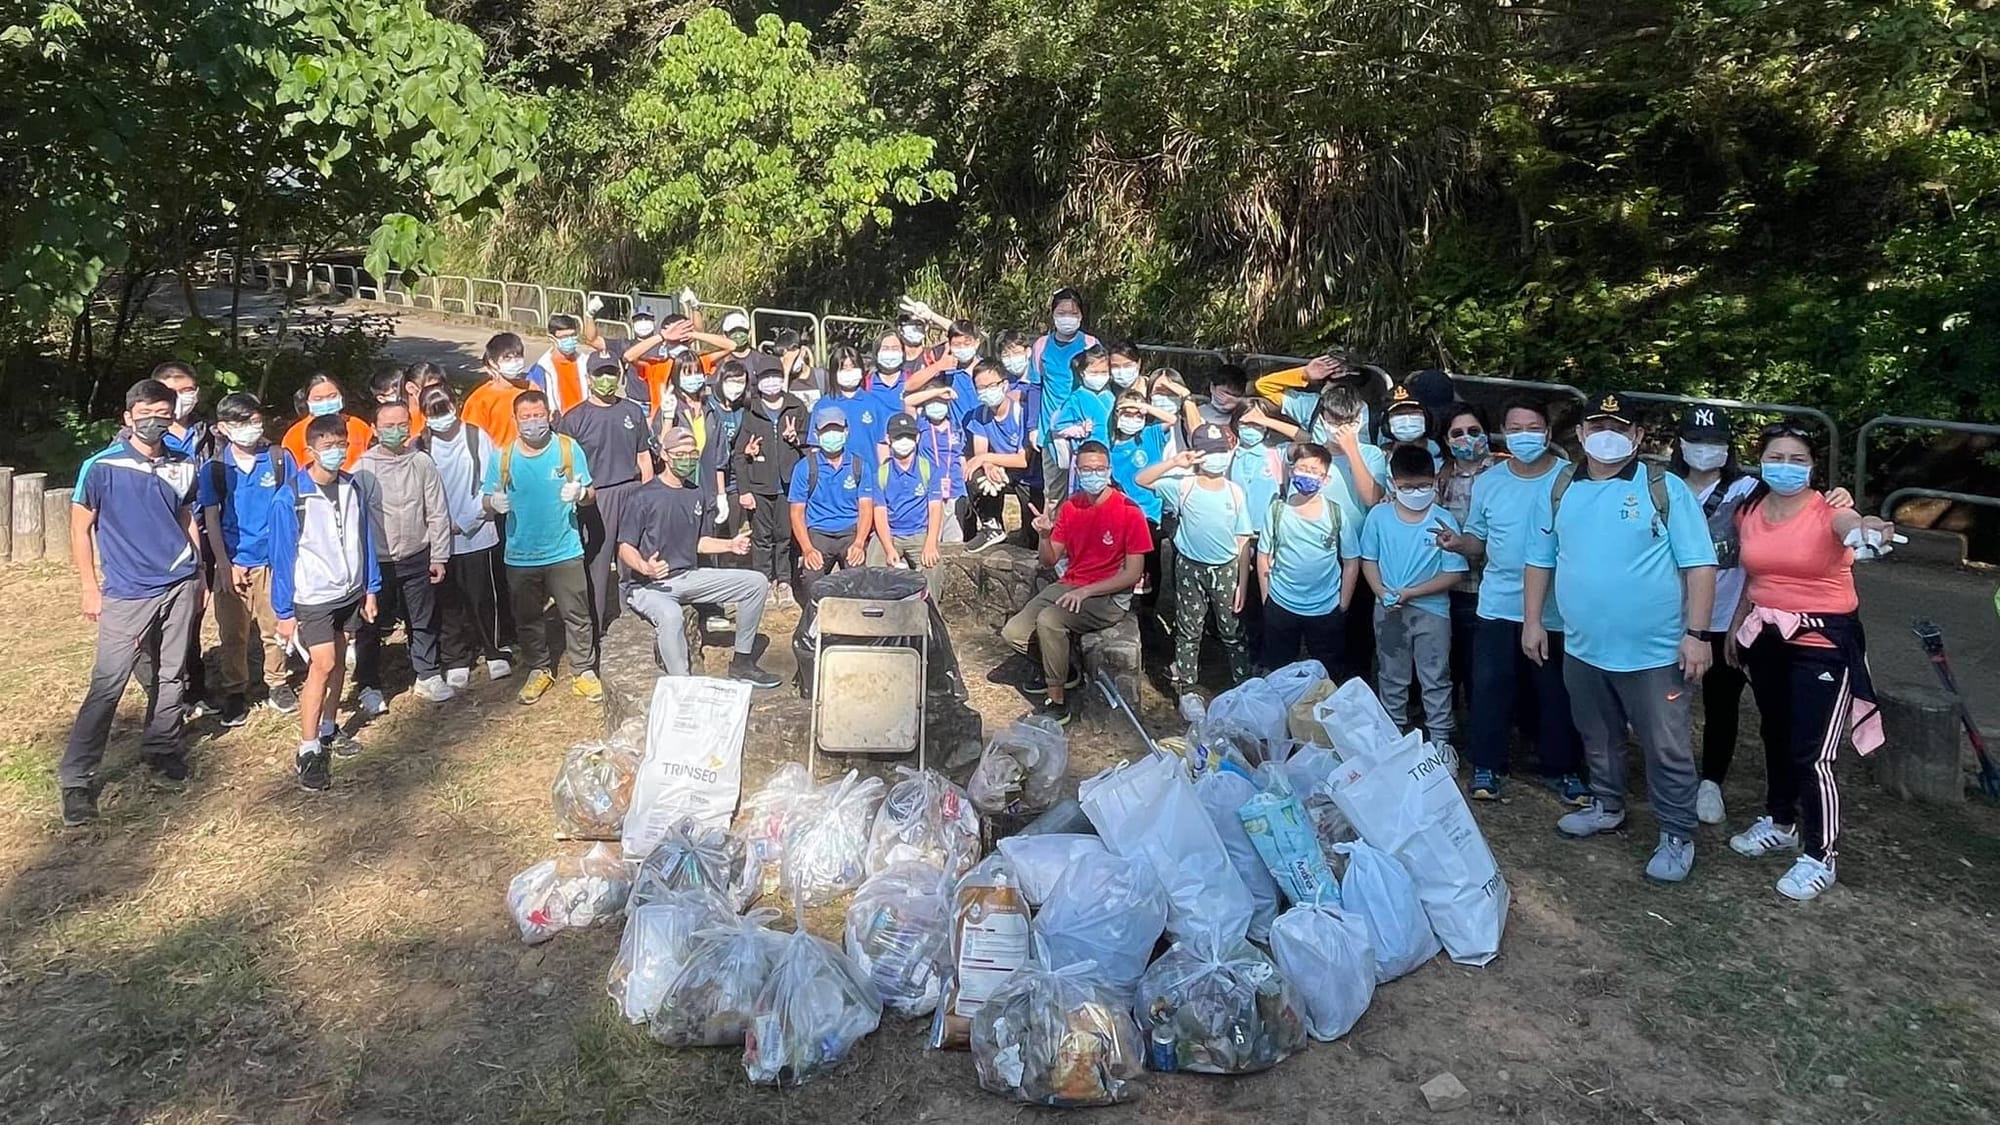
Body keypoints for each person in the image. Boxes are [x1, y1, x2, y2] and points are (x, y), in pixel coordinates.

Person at [1525, 392, 1717, 884]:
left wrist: (1696, 635)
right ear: (1582, 433)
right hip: (1583, 644)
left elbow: (1700, 565)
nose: (1607, 435)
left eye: (1620, 427)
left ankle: (1676, 832)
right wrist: (1532, 621)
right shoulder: (1562, 486)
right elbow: (1540, 558)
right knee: (1598, 733)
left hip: (1654, 650)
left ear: (1636, 437)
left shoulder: (1664, 488)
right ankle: (1607, 804)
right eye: (1597, 425)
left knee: (1665, 743)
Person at [1724, 425, 1891, 901]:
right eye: (1777, 456)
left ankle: (1821, 855)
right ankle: (1780, 822)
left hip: (1822, 641)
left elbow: (1854, 528)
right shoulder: (1750, 511)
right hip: (1765, 636)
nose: (1787, 466)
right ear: (1761, 461)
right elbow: (1753, 575)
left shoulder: (1831, 510)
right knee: (1775, 733)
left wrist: (1869, 530)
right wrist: (1740, 625)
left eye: (1798, 459)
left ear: (1813, 466)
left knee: (1812, 751)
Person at [58, 380, 204, 824]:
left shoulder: (183, 464)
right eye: (145, 412)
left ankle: (162, 749)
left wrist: (197, 572)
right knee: (108, 683)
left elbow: (186, 517)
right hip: (127, 590)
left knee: (171, 672)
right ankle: (77, 779)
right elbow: (80, 528)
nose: (154, 419)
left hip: (179, 583)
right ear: (128, 417)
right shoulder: (101, 467)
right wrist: (89, 586)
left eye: (163, 411)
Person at [1437, 400, 1587, 804]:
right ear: (1504, 432)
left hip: (1556, 609)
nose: (1525, 435)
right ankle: (1487, 765)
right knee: (1490, 687)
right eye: (1516, 428)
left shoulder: (1571, 479)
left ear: (1548, 433)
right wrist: (1458, 543)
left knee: (1555, 692)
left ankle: (1566, 769)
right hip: (1498, 602)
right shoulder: (1489, 483)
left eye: (1533, 427)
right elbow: (1478, 540)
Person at [619, 427, 784, 688]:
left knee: (756, 583)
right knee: (672, 615)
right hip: (648, 587)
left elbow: (698, 542)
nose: (687, 458)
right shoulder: (643, 496)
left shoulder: (695, 492)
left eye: (692, 453)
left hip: (688, 576)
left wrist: (730, 545)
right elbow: (625, 547)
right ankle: (682, 686)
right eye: (680, 453)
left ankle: (742, 663)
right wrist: (644, 566)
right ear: (664, 455)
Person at [1000, 441, 1151, 725]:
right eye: (1086, 469)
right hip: (1071, 582)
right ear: (1077, 471)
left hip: (1109, 594)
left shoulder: (1130, 511)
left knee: (1049, 620)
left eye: (1099, 468)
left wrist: (1088, 590)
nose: (1093, 474)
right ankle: (1064, 668)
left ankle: (1057, 703)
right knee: (1013, 632)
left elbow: (1132, 574)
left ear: (1109, 470)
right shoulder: (1070, 507)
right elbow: (1048, 560)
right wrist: (1044, 535)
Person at [269, 413, 381, 792]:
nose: (336, 452)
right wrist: (283, 612)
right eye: (328, 446)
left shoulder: (352, 487)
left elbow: (365, 538)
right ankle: (308, 746)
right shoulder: (291, 498)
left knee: (338, 663)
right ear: (311, 450)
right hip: (313, 597)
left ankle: (330, 729)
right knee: (323, 665)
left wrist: (370, 587)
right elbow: (281, 556)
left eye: (341, 445)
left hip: (349, 591)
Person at [481, 391, 601, 706]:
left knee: (577, 614)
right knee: (528, 617)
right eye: (526, 417)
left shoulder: (567, 448)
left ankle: (583, 670)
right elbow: (484, 501)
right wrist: (493, 503)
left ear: (549, 415)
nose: (534, 422)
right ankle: (538, 668)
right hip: (520, 555)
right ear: (516, 420)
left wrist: (581, 494)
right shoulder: (503, 457)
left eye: (539, 415)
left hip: (564, 549)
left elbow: (591, 493)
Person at [1671, 405, 1761, 826]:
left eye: (1714, 441)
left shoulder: (1751, 491)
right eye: (1696, 439)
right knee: (1669, 700)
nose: (1705, 449)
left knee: (1722, 702)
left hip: (1726, 616)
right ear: (1681, 443)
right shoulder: (1663, 486)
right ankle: (1671, 773)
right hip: (1668, 615)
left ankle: (1711, 783)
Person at [1360, 443, 1468, 751]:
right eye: (1408, 487)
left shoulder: (1443, 520)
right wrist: (1381, 592)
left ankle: (1440, 740)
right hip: (1389, 609)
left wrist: (1413, 593)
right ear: (1393, 484)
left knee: (1435, 676)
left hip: (1433, 612)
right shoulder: (1379, 516)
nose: (1416, 492)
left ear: (1435, 481)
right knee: (1392, 674)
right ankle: (1392, 736)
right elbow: (1369, 559)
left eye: (1423, 485)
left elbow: (1454, 572)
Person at [1136, 423, 1254, 692]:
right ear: (1197, 454)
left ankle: (1244, 685)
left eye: (1222, 451)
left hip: (1226, 570)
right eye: (1210, 452)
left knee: (1232, 631)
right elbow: (1141, 480)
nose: (1217, 457)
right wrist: (1175, 462)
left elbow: (1243, 539)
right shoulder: (1181, 486)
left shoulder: (1234, 492)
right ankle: (1187, 687)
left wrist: (1242, 585)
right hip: (1190, 567)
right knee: (1189, 630)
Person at [199, 392, 292, 727]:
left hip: (274, 561)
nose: (252, 428)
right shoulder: (216, 469)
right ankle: (235, 690)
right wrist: (223, 563)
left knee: (274, 627)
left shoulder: (280, 458)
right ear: (222, 428)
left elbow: (293, 506)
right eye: (242, 422)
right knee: (233, 632)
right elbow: (211, 518)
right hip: (233, 561)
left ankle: (277, 683)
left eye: (255, 420)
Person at [353, 400, 454, 707]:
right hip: (377, 563)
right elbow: (354, 521)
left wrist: (439, 555)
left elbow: (437, 511)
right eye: (388, 426)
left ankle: (427, 674)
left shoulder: (421, 462)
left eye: (402, 425)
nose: (396, 432)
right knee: (370, 626)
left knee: (422, 618)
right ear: (374, 429)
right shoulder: (362, 469)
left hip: (417, 555)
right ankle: (368, 685)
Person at [418, 384, 513, 687]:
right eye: (433, 414)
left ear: (455, 406)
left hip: (478, 530)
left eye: (444, 410)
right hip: (438, 536)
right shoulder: (419, 446)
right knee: (447, 598)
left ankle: (495, 650)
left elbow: (492, 481)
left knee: (483, 594)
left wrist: (467, 520)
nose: (440, 418)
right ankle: (456, 657)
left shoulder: (475, 437)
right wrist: (442, 525)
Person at [557, 358, 655, 632]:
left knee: (632, 559)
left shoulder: (632, 411)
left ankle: (637, 619)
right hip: (595, 496)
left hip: (632, 490)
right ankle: (595, 626)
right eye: (600, 374)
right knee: (597, 565)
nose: (607, 380)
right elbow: (565, 466)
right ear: (589, 377)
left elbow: (644, 456)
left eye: (612, 373)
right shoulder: (574, 419)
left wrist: (648, 496)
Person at [1259, 443, 1361, 676]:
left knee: (1329, 671)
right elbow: (1264, 556)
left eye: (1315, 471)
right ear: (1292, 471)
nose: (1308, 475)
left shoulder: (1336, 513)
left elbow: (1351, 561)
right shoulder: (1277, 510)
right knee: (1279, 670)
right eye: (1303, 468)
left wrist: (1343, 602)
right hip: (1282, 603)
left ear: (1326, 479)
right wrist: (1268, 598)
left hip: (1326, 607)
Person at [729, 361, 810, 606]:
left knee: (785, 536)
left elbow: (809, 444)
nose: (771, 382)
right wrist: (745, 489)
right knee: (762, 537)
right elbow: (739, 455)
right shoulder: (749, 410)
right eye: (766, 377)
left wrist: (796, 439)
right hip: (760, 485)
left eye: (776, 376)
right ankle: (763, 580)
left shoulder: (797, 407)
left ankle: (784, 581)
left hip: (789, 486)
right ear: (758, 381)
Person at [1437, 403, 1498, 700]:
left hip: (1491, 588)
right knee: (1449, 660)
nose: (1466, 438)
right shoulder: (1439, 478)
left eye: (1474, 431)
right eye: (1457, 433)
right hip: (1449, 586)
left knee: (1483, 669)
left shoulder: (1504, 473)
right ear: (1446, 440)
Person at [787, 404, 875, 594]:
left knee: (858, 578)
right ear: (817, 435)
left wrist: (859, 543)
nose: (832, 435)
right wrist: (807, 549)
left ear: (846, 431)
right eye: (826, 431)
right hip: (818, 532)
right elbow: (796, 513)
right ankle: (816, 618)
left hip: (850, 532)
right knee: (811, 579)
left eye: (837, 430)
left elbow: (866, 508)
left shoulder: (859, 466)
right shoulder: (805, 468)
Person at [1030, 288, 1098, 499]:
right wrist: (1032, 427)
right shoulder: (1041, 345)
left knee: (1087, 490)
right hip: (1051, 432)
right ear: (1052, 314)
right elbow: (1035, 387)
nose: (1067, 318)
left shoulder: (1090, 345)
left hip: (1084, 430)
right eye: (1062, 313)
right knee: (1054, 494)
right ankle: (1055, 531)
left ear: (1081, 315)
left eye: (1073, 313)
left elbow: (1100, 386)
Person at [871, 414, 946, 598]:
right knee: (874, 569)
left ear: (917, 438)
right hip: (891, 534)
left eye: (909, 436)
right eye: (898, 437)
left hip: (920, 532)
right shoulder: (880, 474)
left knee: (933, 568)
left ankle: (929, 617)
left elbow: (935, 508)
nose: (904, 441)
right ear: (888, 439)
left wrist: (931, 542)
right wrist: (889, 548)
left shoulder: (929, 469)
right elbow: (880, 514)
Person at [962, 359, 1032, 552]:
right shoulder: (980, 415)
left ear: (1004, 384)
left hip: (1028, 475)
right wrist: (988, 465)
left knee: (1032, 535)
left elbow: (1022, 459)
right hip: (1001, 469)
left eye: (991, 386)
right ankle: (991, 525)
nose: (986, 391)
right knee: (974, 474)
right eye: (980, 388)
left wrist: (986, 459)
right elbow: (980, 452)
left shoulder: (1022, 412)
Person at [281, 373, 373, 473]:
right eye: (318, 399)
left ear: (341, 396)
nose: (326, 402)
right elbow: (289, 471)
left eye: (332, 396)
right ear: (307, 401)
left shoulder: (358, 426)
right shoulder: (295, 434)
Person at [463, 333, 533, 447]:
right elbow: (471, 441)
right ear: (493, 362)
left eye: (518, 356)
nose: (514, 362)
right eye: (507, 358)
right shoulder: (479, 401)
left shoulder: (531, 389)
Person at [526, 314, 601, 414]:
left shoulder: (586, 362)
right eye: (565, 337)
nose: (570, 340)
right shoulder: (540, 369)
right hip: (558, 424)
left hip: (585, 420)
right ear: (551, 338)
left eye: (573, 335)